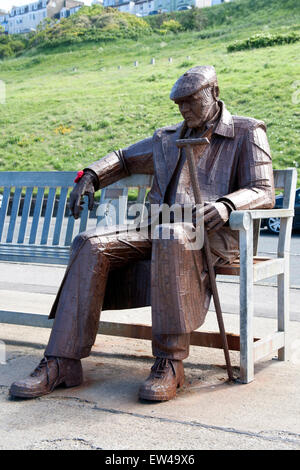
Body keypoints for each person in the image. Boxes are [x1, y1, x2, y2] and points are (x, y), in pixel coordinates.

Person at [9, 65, 275, 401]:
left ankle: (170, 362)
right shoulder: (167, 139)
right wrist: (91, 175)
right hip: (158, 228)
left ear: (215, 93)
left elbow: (263, 190)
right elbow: (123, 159)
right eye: (179, 103)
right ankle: (61, 361)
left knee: (170, 236)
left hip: (212, 234)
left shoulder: (246, 131)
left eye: (192, 101)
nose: (184, 109)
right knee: (89, 243)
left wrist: (226, 205)